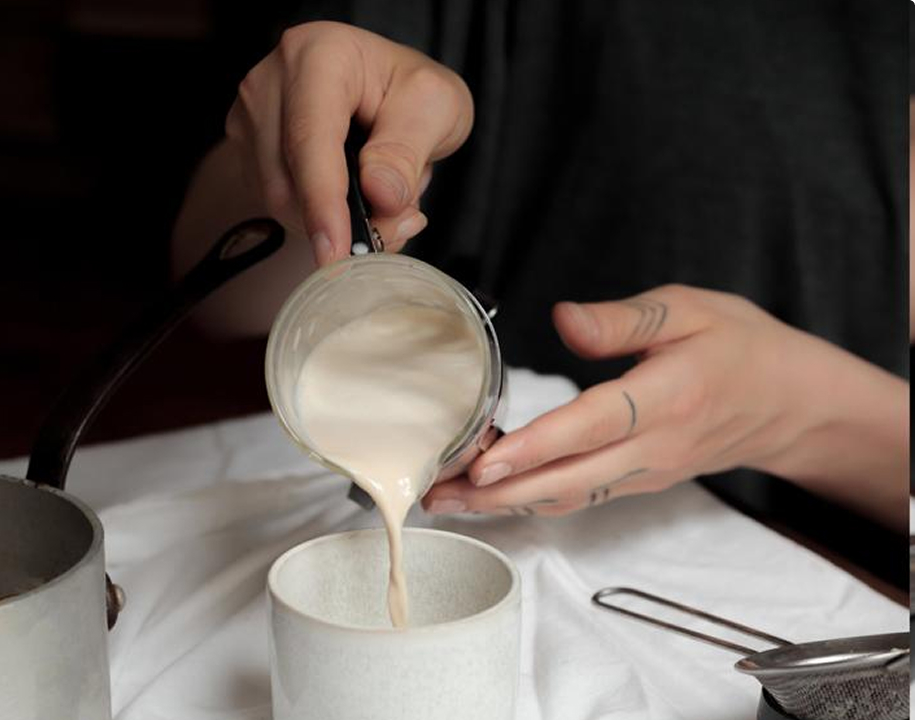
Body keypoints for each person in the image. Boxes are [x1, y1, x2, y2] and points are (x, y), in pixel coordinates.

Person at [172, 5, 909, 537]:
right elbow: (213, 294)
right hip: (524, 541)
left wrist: (798, 413)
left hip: (842, 589)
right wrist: (286, 175)